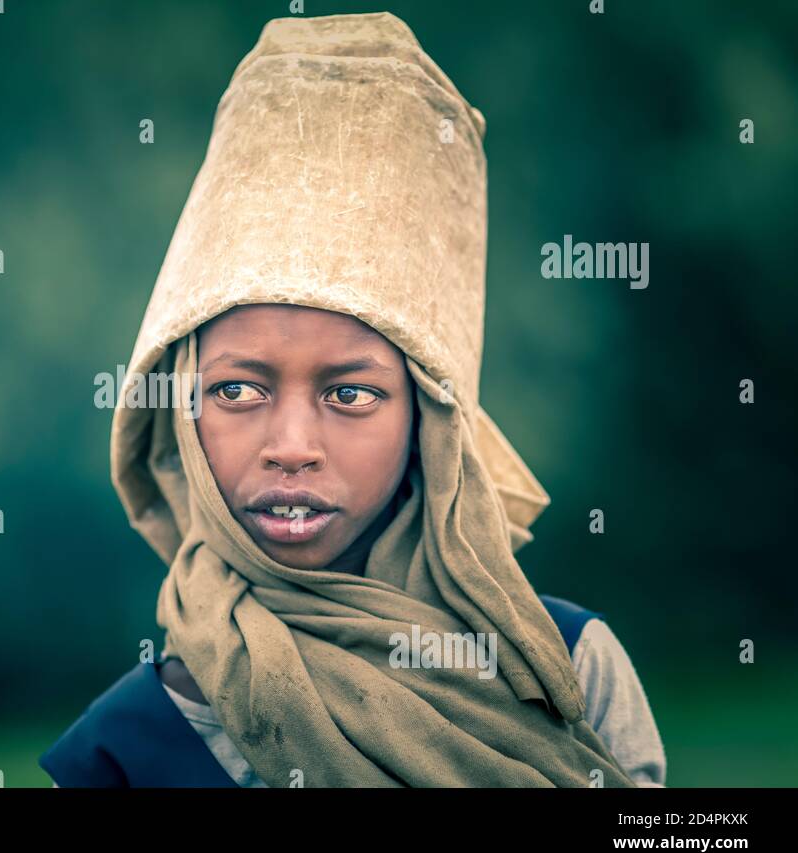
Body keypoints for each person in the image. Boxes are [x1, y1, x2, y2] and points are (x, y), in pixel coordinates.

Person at [41, 11, 665, 787]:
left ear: (428, 424)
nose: (292, 443)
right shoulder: (120, 752)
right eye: (236, 389)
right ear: (181, 410)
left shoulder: (569, 673)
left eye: (351, 392)